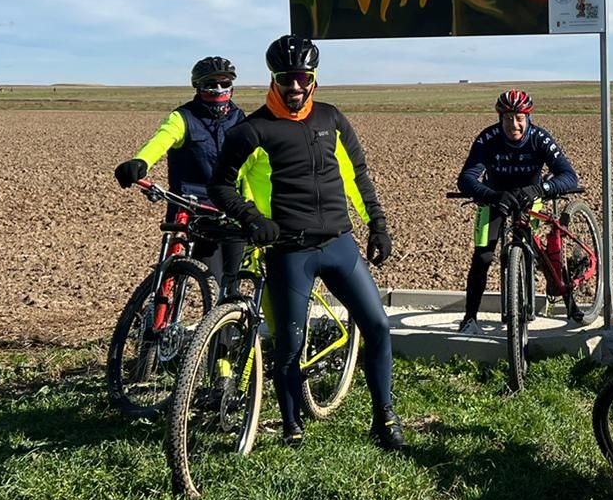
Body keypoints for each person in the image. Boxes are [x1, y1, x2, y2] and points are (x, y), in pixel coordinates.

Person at [207, 35, 403, 451]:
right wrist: (252, 218)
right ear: (273, 79)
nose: (294, 86)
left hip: (339, 244)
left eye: (302, 77)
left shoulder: (331, 118)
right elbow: (220, 186)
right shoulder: (252, 130)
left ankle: (385, 418)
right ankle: (292, 426)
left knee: (378, 326)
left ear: (313, 77)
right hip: (290, 251)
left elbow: (357, 175)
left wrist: (378, 224)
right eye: (286, 78)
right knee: (289, 345)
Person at [113, 55, 247, 297]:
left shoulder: (240, 119)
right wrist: (141, 161)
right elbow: (161, 140)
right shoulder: (183, 117)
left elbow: (256, 160)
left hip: (233, 209)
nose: (218, 89)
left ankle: (230, 320)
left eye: (225, 83)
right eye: (211, 83)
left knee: (234, 283)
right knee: (214, 281)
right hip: (196, 210)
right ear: (198, 86)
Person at [454, 88, 579, 334]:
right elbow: (466, 178)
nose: (514, 125)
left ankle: (569, 301)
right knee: (483, 256)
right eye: (508, 118)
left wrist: (541, 189)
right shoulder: (487, 139)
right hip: (495, 199)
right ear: (500, 118)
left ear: (528, 117)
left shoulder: (540, 138)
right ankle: (469, 318)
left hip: (530, 199)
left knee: (541, 253)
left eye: (519, 118)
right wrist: (491, 195)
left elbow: (568, 176)